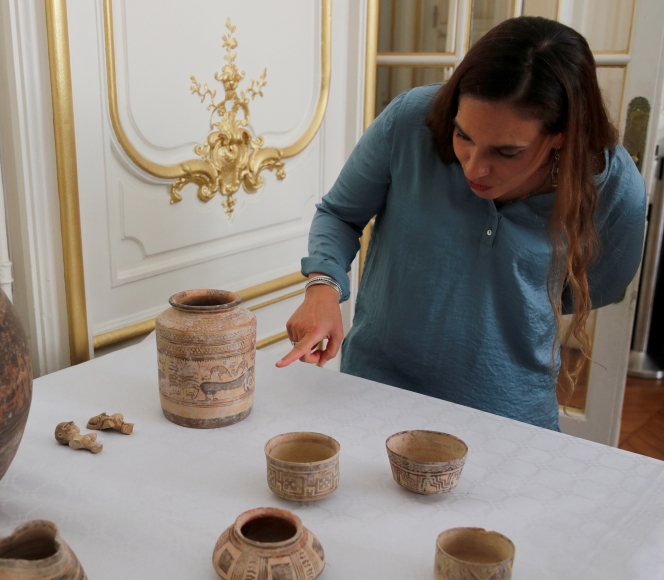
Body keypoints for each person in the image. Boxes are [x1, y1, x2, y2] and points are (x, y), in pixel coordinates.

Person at [276, 16, 646, 430]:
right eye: (463, 135)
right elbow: (340, 215)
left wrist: (502, 305)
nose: (475, 167)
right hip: (377, 397)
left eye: (507, 152)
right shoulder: (410, 120)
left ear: (562, 136)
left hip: (511, 419)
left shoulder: (613, 188)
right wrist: (322, 286)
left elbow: (597, 288)